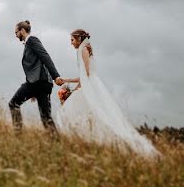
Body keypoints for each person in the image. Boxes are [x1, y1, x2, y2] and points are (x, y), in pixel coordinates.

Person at [55, 29, 158, 158]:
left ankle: (87, 141)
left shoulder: (83, 50)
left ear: (79, 39)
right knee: (85, 113)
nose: (71, 43)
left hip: (89, 87)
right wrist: (68, 81)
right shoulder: (83, 50)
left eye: (72, 40)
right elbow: (84, 75)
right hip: (87, 85)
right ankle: (85, 142)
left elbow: (86, 73)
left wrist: (77, 88)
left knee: (76, 112)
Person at [8, 20, 63, 133]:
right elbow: (35, 67)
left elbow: (45, 57)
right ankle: (56, 141)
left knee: (14, 103)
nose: (16, 35)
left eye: (16, 32)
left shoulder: (32, 40)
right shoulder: (29, 43)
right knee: (45, 117)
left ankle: (18, 133)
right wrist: (33, 90)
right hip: (40, 83)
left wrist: (56, 76)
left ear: (22, 30)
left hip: (39, 82)